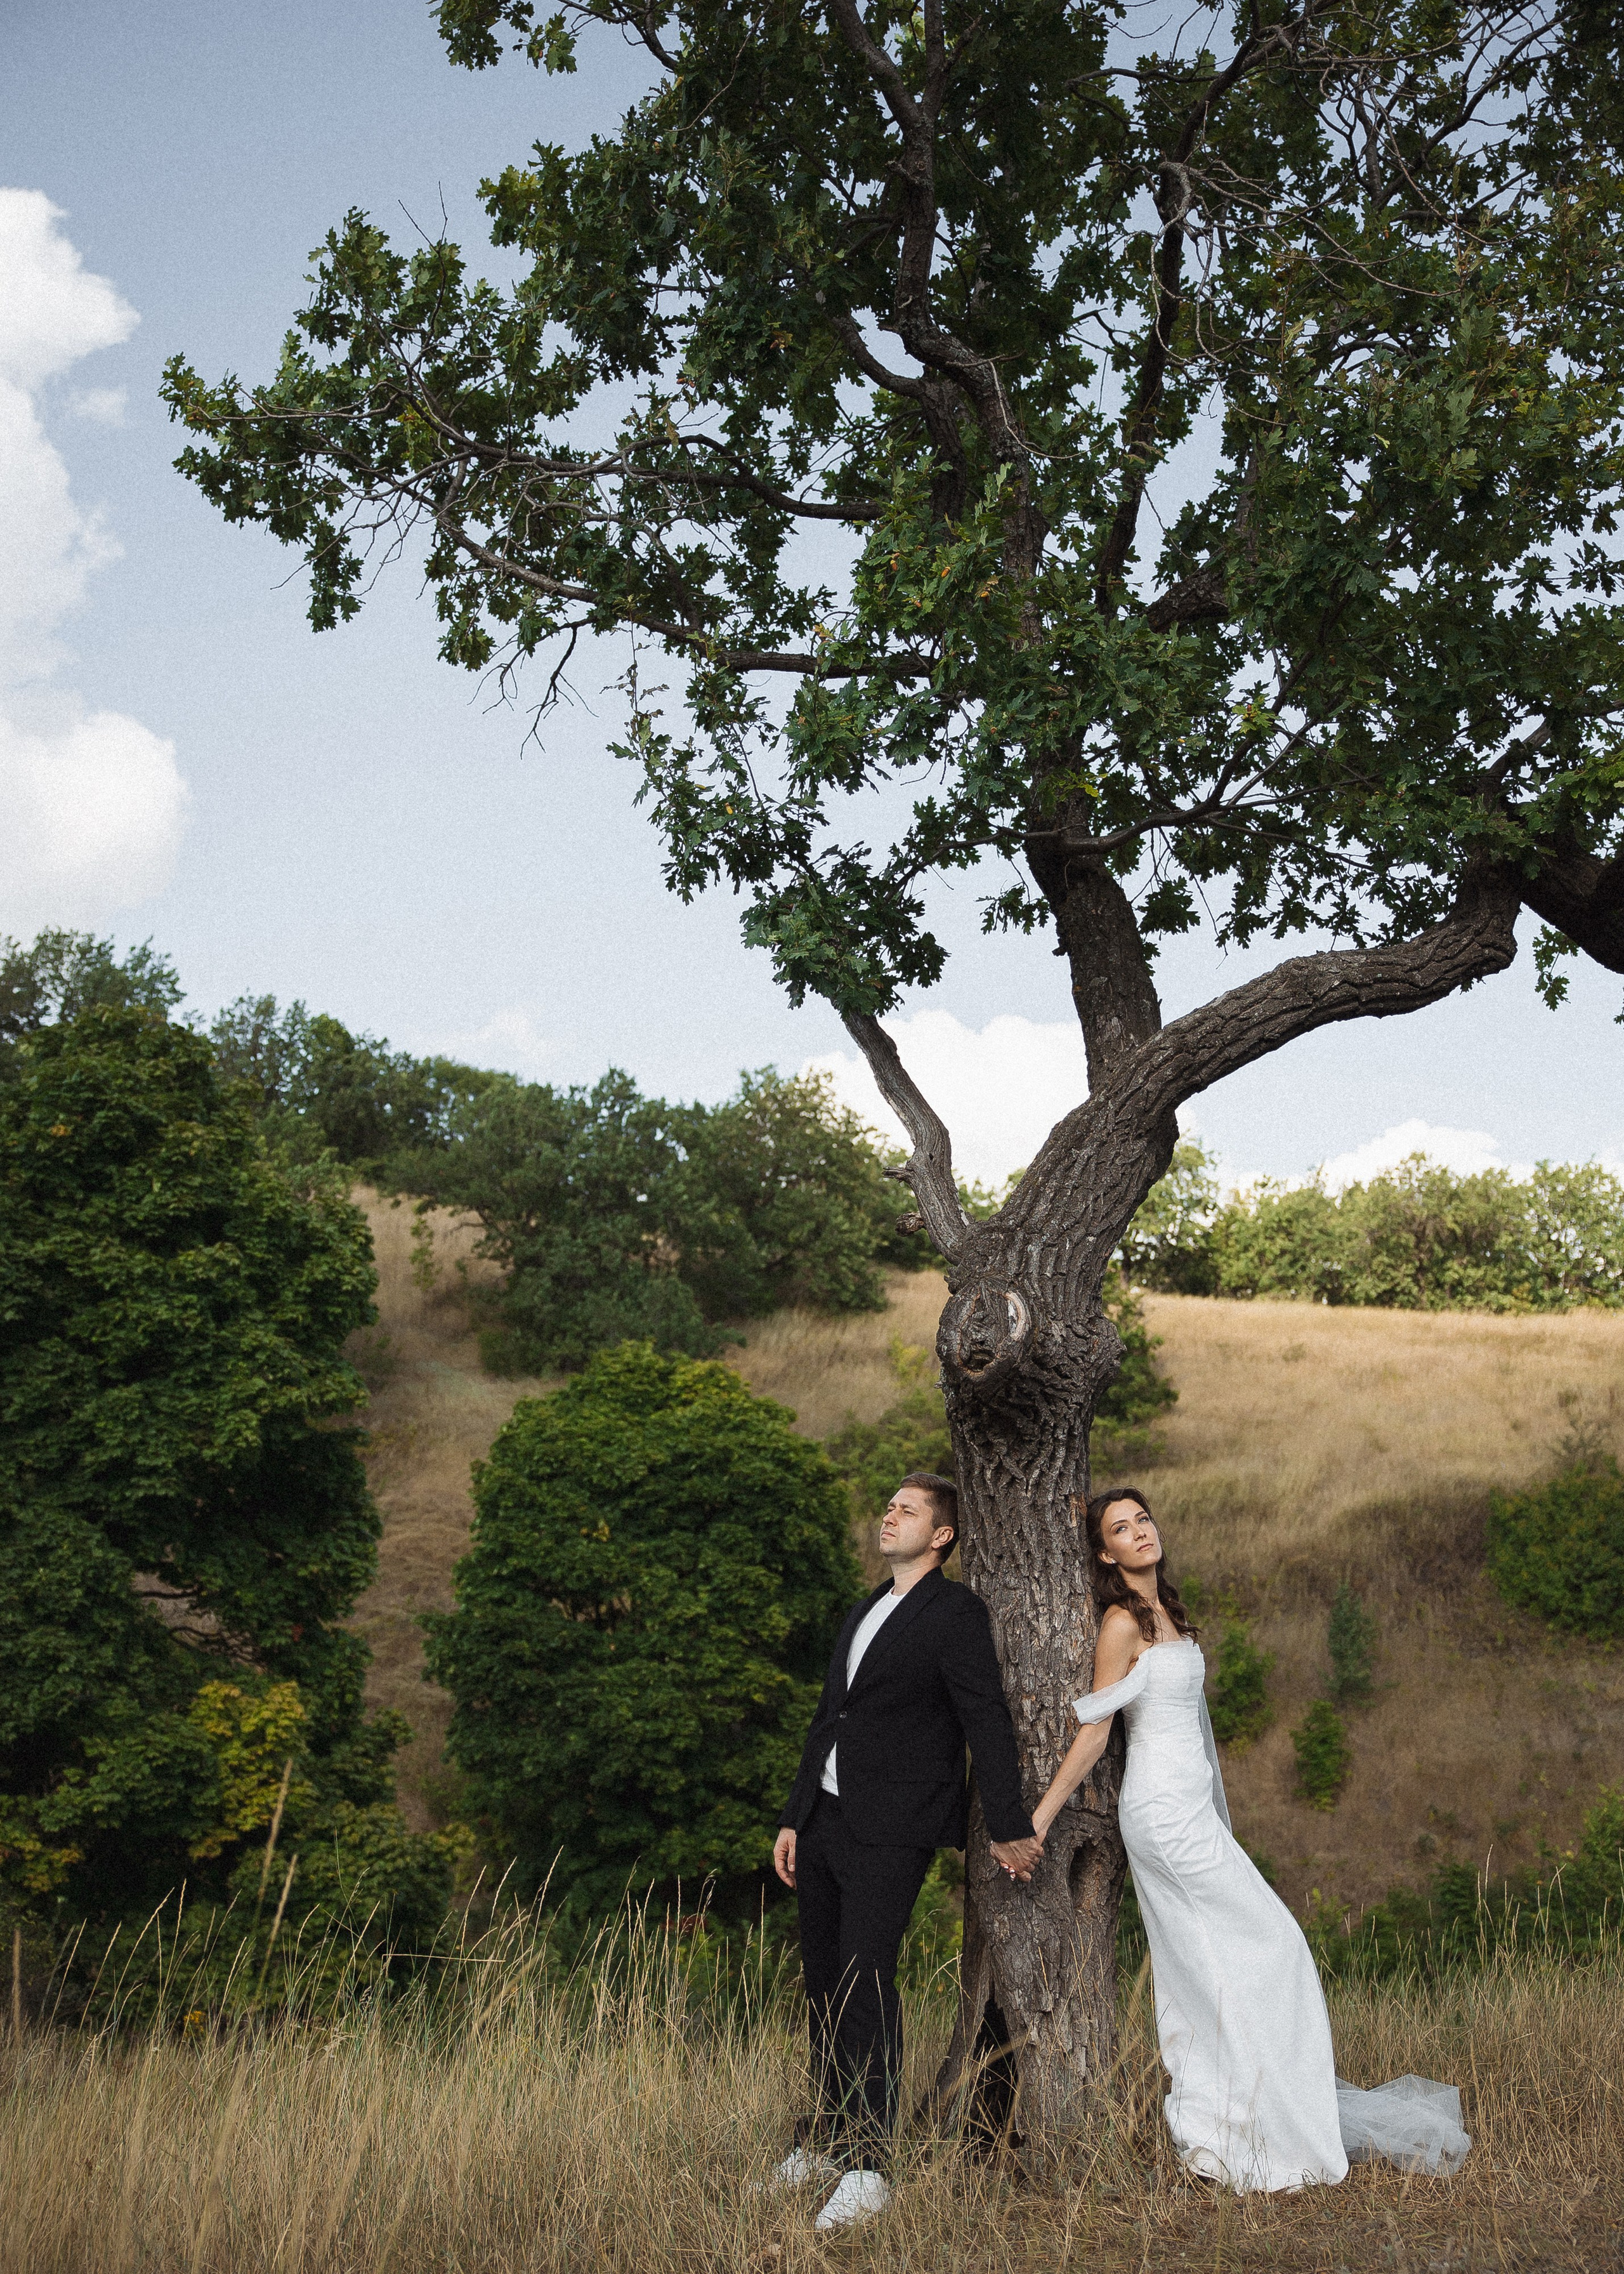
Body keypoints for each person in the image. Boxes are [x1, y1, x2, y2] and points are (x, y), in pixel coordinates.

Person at [1013, 1487, 1471, 2192]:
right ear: (1103, 1551)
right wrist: (1039, 1818)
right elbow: (1096, 1730)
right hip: (1162, 1817)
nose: (1139, 1532)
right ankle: (1220, 2128)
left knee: (1217, 1965)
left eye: (1143, 1519)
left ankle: (1243, 2121)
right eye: (1120, 1528)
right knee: (1274, 1944)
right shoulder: (1119, 1623)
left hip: (1193, 1812)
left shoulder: (1168, 1608)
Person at [769, 1471, 1040, 2231]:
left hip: (894, 1825)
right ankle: (826, 2137)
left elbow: (984, 1715)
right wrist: (794, 1816)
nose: (888, 1515)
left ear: (942, 1534)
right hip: (823, 1819)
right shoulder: (864, 1606)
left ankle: (869, 2165)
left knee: (864, 1978)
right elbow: (829, 1717)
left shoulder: (955, 1612)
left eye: (907, 1509)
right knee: (822, 1979)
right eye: (888, 1506)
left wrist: (1007, 1820)